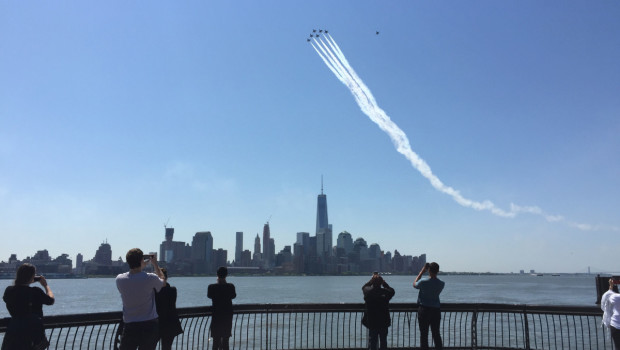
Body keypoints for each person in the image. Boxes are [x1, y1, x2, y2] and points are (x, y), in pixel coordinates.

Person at [116, 248, 165, 350]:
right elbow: (163, 282)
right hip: (149, 325)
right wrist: (155, 264)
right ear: (141, 260)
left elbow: (134, 276)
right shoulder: (150, 278)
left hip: (130, 326)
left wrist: (140, 265)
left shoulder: (120, 279)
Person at [2, 263, 55, 350]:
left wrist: (26, 280)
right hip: (31, 333)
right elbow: (51, 300)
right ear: (32, 276)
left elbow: (16, 290)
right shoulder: (35, 292)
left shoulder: (9, 291)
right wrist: (46, 286)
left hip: (13, 330)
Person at [414, 262, 445, 350]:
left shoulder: (423, 281)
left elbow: (414, 284)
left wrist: (421, 272)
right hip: (436, 310)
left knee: (424, 334)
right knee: (436, 334)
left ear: (429, 270)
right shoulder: (441, 284)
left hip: (424, 310)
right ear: (438, 271)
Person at [361, 272, 395, 350]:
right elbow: (392, 291)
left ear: (372, 282)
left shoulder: (368, 292)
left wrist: (370, 281)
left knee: (372, 341)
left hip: (372, 321)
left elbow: (364, 287)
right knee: (383, 342)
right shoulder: (385, 292)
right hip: (384, 321)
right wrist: (384, 283)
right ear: (381, 283)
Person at [207, 266, 237, 350]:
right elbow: (233, 295)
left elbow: (209, 295)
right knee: (225, 342)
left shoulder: (211, 287)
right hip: (227, 317)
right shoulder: (230, 287)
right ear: (226, 275)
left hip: (216, 317)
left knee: (215, 342)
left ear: (217, 275)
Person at [155, 268, 184, 350]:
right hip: (170, 323)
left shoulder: (154, 291)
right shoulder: (173, 290)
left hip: (157, 323)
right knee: (167, 347)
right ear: (166, 278)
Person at [601, 278, 620, 349]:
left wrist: (611, 286)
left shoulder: (614, 297)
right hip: (616, 325)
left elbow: (606, 296)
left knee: (617, 346)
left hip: (615, 325)